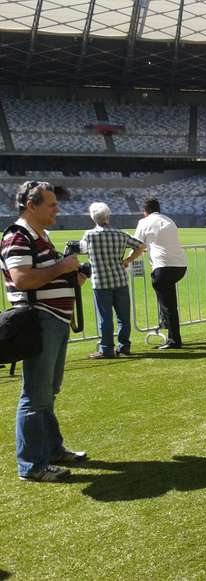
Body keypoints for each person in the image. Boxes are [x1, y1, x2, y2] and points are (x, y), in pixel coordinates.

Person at [0, 181, 87, 482]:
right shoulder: (18, 236)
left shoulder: (40, 236)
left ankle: (52, 450)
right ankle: (32, 465)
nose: (57, 209)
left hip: (54, 320)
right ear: (31, 206)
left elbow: (45, 277)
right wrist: (62, 268)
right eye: (51, 204)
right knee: (36, 395)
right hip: (39, 321)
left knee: (47, 392)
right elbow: (22, 279)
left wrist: (73, 277)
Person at [80, 202, 145, 359]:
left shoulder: (89, 235)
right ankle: (124, 347)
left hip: (101, 282)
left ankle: (107, 349)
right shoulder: (120, 234)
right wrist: (128, 260)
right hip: (120, 279)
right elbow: (141, 246)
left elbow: (81, 250)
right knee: (123, 317)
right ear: (108, 216)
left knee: (105, 318)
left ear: (93, 218)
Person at [133, 198, 187, 349]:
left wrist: (128, 259)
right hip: (180, 265)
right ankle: (167, 326)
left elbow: (136, 244)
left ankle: (174, 339)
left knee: (168, 305)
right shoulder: (169, 220)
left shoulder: (144, 222)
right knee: (169, 303)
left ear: (145, 211)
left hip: (163, 267)